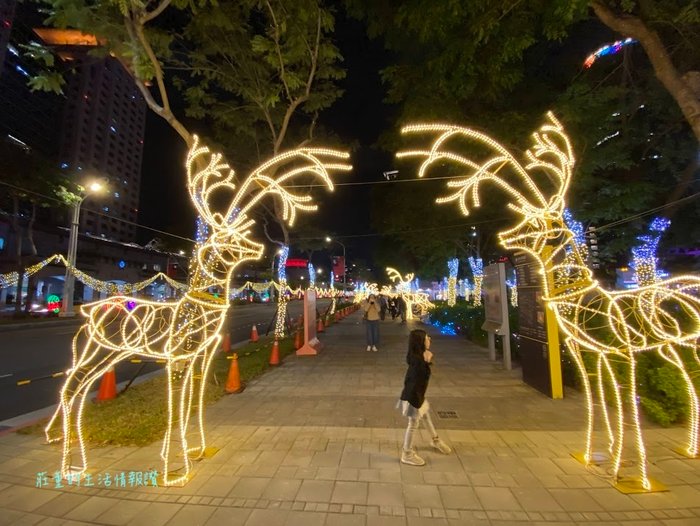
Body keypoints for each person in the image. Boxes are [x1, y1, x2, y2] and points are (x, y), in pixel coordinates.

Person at [397, 329, 451, 466]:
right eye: (427, 338)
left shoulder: (419, 358)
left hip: (417, 395)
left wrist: (426, 359)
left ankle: (435, 439)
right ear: (421, 341)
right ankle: (407, 453)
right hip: (413, 397)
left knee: (426, 416)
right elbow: (414, 382)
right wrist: (425, 360)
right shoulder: (418, 361)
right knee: (413, 424)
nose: (429, 340)